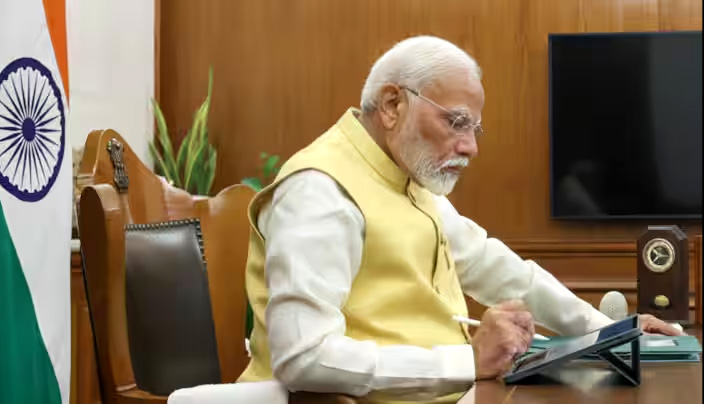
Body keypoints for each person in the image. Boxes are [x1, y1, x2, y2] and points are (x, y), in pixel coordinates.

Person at [237, 36, 683, 403]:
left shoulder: (403, 175)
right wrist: (469, 361)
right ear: (392, 105)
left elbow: (492, 266)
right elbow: (304, 357)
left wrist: (609, 332)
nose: (471, 147)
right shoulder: (320, 190)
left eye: (473, 128)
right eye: (456, 122)